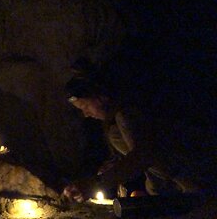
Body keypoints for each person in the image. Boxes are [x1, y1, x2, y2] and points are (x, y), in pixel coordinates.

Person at [61, 74, 213, 203]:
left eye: (85, 107)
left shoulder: (127, 114)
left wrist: (97, 184)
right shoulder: (117, 123)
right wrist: (115, 167)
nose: (86, 114)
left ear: (99, 98)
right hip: (179, 185)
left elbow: (144, 155)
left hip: (200, 179)